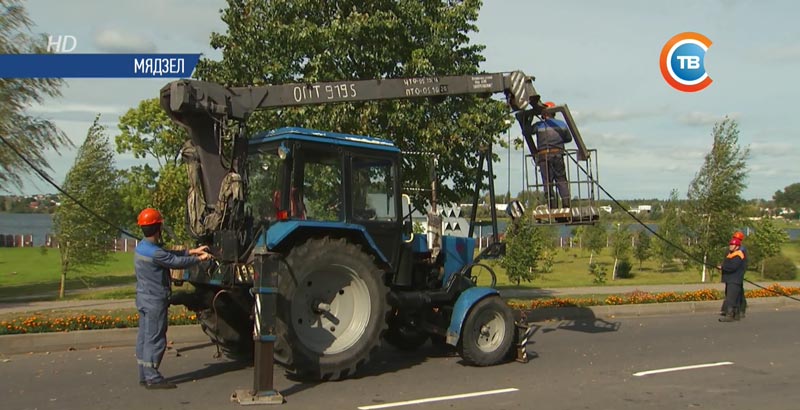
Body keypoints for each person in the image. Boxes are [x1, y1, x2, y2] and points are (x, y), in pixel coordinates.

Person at [135, 208, 211, 389]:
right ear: (158, 228)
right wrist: (200, 259)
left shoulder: (142, 248)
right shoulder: (156, 253)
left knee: (145, 337)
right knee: (155, 338)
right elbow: (174, 262)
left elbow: (167, 254)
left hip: (143, 298)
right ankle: (153, 378)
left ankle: (144, 374)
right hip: (155, 301)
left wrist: (191, 251)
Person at [532, 102, 573, 209]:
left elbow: (527, 131)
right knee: (561, 180)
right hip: (558, 156)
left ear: (544, 114)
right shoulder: (562, 124)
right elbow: (568, 138)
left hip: (543, 157)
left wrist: (530, 115)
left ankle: (552, 206)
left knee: (547, 182)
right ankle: (566, 204)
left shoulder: (538, 126)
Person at [719, 237, 746, 322]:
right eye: (730, 244)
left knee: (731, 298)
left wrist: (723, 267)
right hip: (731, 279)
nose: (730, 246)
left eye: (732, 245)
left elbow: (733, 267)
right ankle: (736, 315)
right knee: (734, 297)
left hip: (734, 280)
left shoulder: (738, 255)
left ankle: (729, 315)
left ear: (737, 246)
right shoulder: (731, 254)